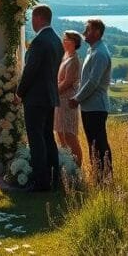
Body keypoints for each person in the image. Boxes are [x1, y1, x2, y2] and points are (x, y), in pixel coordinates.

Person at [17, 4, 63, 191]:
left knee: (36, 139)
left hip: (35, 98)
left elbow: (30, 70)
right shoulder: (56, 40)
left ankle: (40, 181)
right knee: (47, 137)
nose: (31, 22)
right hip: (50, 96)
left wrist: (20, 92)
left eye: (32, 18)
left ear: (38, 18)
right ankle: (54, 177)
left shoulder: (39, 41)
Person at [69, 18, 113, 183]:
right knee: (93, 143)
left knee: (99, 144)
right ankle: (98, 176)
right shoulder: (94, 50)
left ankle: (105, 178)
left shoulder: (100, 53)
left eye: (87, 30)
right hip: (91, 106)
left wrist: (77, 98)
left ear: (96, 32)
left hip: (96, 106)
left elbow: (93, 82)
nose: (84, 33)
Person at [54, 30, 83, 165]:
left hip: (67, 101)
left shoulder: (74, 60)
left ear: (74, 43)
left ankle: (76, 167)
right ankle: (66, 163)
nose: (63, 42)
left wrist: (52, 92)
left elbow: (67, 82)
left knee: (69, 135)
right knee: (60, 132)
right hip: (60, 101)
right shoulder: (66, 56)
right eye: (63, 39)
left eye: (67, 40)